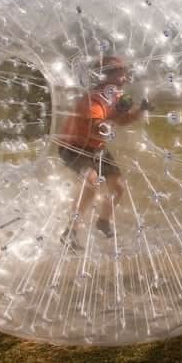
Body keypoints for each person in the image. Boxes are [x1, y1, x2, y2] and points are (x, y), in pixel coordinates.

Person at [56, 55, 152, 250]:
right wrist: (116, 112)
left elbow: (121, 122)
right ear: (106, 76)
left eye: (125, 75)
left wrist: (139, 111)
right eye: (120, 75)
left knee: (118, 187)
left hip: (96, 147)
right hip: (74, 147)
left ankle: (102, 222)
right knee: (92, 182)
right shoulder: (93, 101)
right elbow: (95, 128)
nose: (125, 79)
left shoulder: (114, 97)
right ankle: (70, 232)